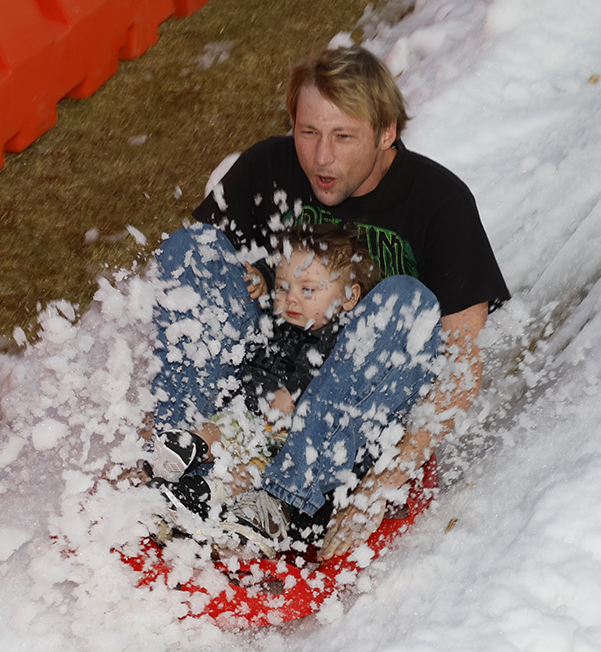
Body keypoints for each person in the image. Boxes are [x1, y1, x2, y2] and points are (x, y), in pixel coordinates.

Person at [148, 46, 510, 560]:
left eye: (343, 137)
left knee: (407, 302)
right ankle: (178, 459)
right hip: (263, 391)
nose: (321, 157)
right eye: (308, 133)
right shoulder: (267, 168)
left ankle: (282, 501)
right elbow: (195, 291)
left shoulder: (440, 203)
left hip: (349, 424)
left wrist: (386, 480)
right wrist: (245, 276)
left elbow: (459, 365)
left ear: (387, 133)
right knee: (192, 249)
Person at [147, 224, 379, 555]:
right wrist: (264, 282)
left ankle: (206, 494)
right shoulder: (286, 321)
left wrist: (298, 393)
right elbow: (255, 350)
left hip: (291, 440)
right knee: (223, 425)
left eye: (307, 290)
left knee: (252, 469)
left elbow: (337, 381)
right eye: (285, 287)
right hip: (252, 412)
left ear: (349, 296)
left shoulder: (344, 339)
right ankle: (185, 449)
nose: (292, 299)